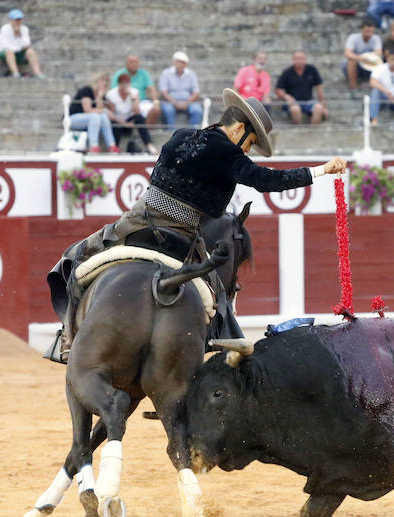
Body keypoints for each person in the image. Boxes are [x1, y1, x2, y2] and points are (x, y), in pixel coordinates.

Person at [52, 90, 347, 360]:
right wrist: (320, 170)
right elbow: (267, 180)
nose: (248, 150)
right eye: (251, 142)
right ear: (239, 129)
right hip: (184, 234)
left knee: (76, 258)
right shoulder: (230, 155)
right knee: (218, 297)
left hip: (137, 220)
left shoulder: (181, 135)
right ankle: (221, 347)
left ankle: (67, 338)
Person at [105, 72, 156, 154]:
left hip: (129, 119)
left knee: (139, 118)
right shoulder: (111, 94)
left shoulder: (134, 92)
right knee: (114, 124)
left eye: (127, 83)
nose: (125, 85)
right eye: (123, 83)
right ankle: (115, 148)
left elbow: (137, 111)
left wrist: (132, 98)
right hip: (117, 120)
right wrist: (124, 123)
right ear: (119, 84)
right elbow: (112, 114)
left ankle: (149, 145)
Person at [69, 73, 117, 153]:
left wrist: (100, 97)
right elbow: (87, 110)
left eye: (106, 81)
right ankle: (93, 146)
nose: (105, 83)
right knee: (95, 116)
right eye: (102, 80)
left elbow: (99, 111)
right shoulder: (87, 90)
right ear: (96, 81)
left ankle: (111, 145)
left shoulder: (101, 95)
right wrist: (105, 111)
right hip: (72, 118)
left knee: (103, 117)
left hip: (89, 119)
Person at [275, 50, 328, 125]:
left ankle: (313, 130)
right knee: (295, 109)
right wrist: (287, 97)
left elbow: (319, 88)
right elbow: (278, 90)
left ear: (305, 59)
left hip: (309, 102)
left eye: (301, 58)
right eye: (297, 58)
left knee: (319, 107)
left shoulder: (312, 70)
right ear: (293, 60)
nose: (299, 61)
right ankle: (299, 129)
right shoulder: (287, 72)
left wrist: (324, 107)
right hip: (293, 102)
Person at [111, 55, 161, 125]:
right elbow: (114, 91)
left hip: (141, 101)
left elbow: (152, 89)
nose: (134, 64)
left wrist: (155, 102)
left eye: (135, 62)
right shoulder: (119, 74)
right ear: (126, 63)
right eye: (131, 62)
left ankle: (146, 129)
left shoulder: (143, 73)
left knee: (156, 109)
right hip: (126, 102)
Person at [0, 9, 43, 79]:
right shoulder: (5, 29)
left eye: (20, 19)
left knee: (31, 52)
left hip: (18, 52)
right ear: (11, 20)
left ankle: (38, 73)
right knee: (9, 52)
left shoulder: (24, 29)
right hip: (5, 52)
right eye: (16, 19)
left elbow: (27, 44)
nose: (18, 21)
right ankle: (15, 73)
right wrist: (19, 47)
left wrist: (19, 35)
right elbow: (4, 45)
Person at [159, 51, 202, 130]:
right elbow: (163, 92)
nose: (181, 64)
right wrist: (174, 102)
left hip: (188, 101)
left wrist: (187, 102)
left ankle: (193, 133)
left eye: (183, 62)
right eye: (180, 62)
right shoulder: (166, 73)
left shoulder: (191, 74)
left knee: (197, 110)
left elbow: (196, 92)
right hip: (170, 101)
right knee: (168, 110)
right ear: (174, 62)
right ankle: (171, 131)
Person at [343, 19, 382, 92]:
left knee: (379, 63)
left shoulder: (376, 38)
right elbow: (347, 53)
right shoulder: (353, 37)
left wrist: (367, 58)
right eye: (367, 31)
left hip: (369, 64)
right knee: (352, 61)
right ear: (362, 29)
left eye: (371, 31)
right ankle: (353, 88)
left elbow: (378, 53)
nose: (369, 33)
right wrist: (360, 58)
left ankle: (375, 88)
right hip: (356, 64)